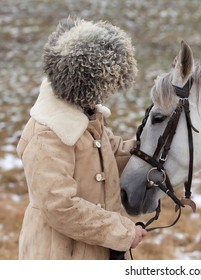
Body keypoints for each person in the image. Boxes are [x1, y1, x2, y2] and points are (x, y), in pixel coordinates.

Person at [16, 17, 147, 259]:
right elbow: (60, 207)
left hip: (99, 254)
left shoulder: (87, 116)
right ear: (85, 83)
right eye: (104, 86)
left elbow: (113, 153)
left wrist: (153, 148)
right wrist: (122, 232)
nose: (105, 96)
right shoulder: (46, 134)